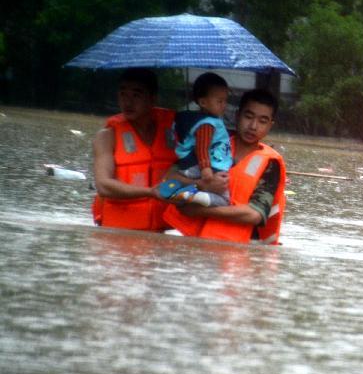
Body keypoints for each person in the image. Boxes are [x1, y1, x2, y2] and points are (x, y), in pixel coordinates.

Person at [163, 89, 287, 245]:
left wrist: (200, 211)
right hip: (191, 242)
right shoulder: (209, 141)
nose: (253, 126)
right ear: (237, 115)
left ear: (270, 125)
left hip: (238, 250)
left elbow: (254, 214)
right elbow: (169, 177)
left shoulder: (270, 163)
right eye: (248, 117)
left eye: (262, 121)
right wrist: (201, 184)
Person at [91, 68, 179, 231]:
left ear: (152, 99)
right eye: (123, 94)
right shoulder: (106, 137)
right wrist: (150, 192)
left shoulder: (174, 134)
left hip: (159, 236)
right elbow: (103, 185)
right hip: (116, 236)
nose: (128, 102)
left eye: (136, 95)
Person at [160, 72, 233, 207]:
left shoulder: (209, 120)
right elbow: (202, 146)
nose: (224, 105)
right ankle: (195, 196)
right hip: (201, 167)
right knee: (224, 199)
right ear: (203, 102)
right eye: (219, 101)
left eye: (225, 100)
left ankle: (188, 192)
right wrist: (205, 168)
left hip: (194, 165)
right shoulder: (207, 124)